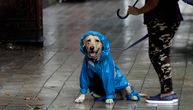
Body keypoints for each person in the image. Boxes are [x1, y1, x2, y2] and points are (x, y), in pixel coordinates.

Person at [127, 0, 183, 104]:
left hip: (162, 19)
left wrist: (138, 11)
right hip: (165, 18)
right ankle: (167, 91)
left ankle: (168, 93)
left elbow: (153, 2)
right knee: (157, 55)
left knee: (159, 55)